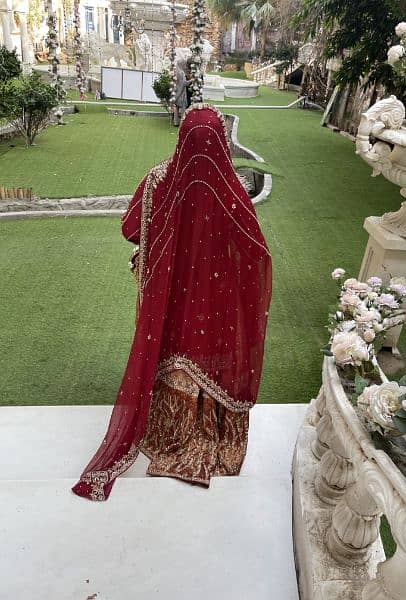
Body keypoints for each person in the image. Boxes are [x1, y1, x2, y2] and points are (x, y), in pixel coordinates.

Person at [72, 104, 272, 501]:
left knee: (171, 350)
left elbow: (130, 228)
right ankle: (211, 440)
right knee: (208, 353)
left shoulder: (158, 180)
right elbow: (256, 253)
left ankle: (169, 437)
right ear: (222, 143)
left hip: (169, 301)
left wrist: (165, 248)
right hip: (216, 306)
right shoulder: (231, 187)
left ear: (180, 138)